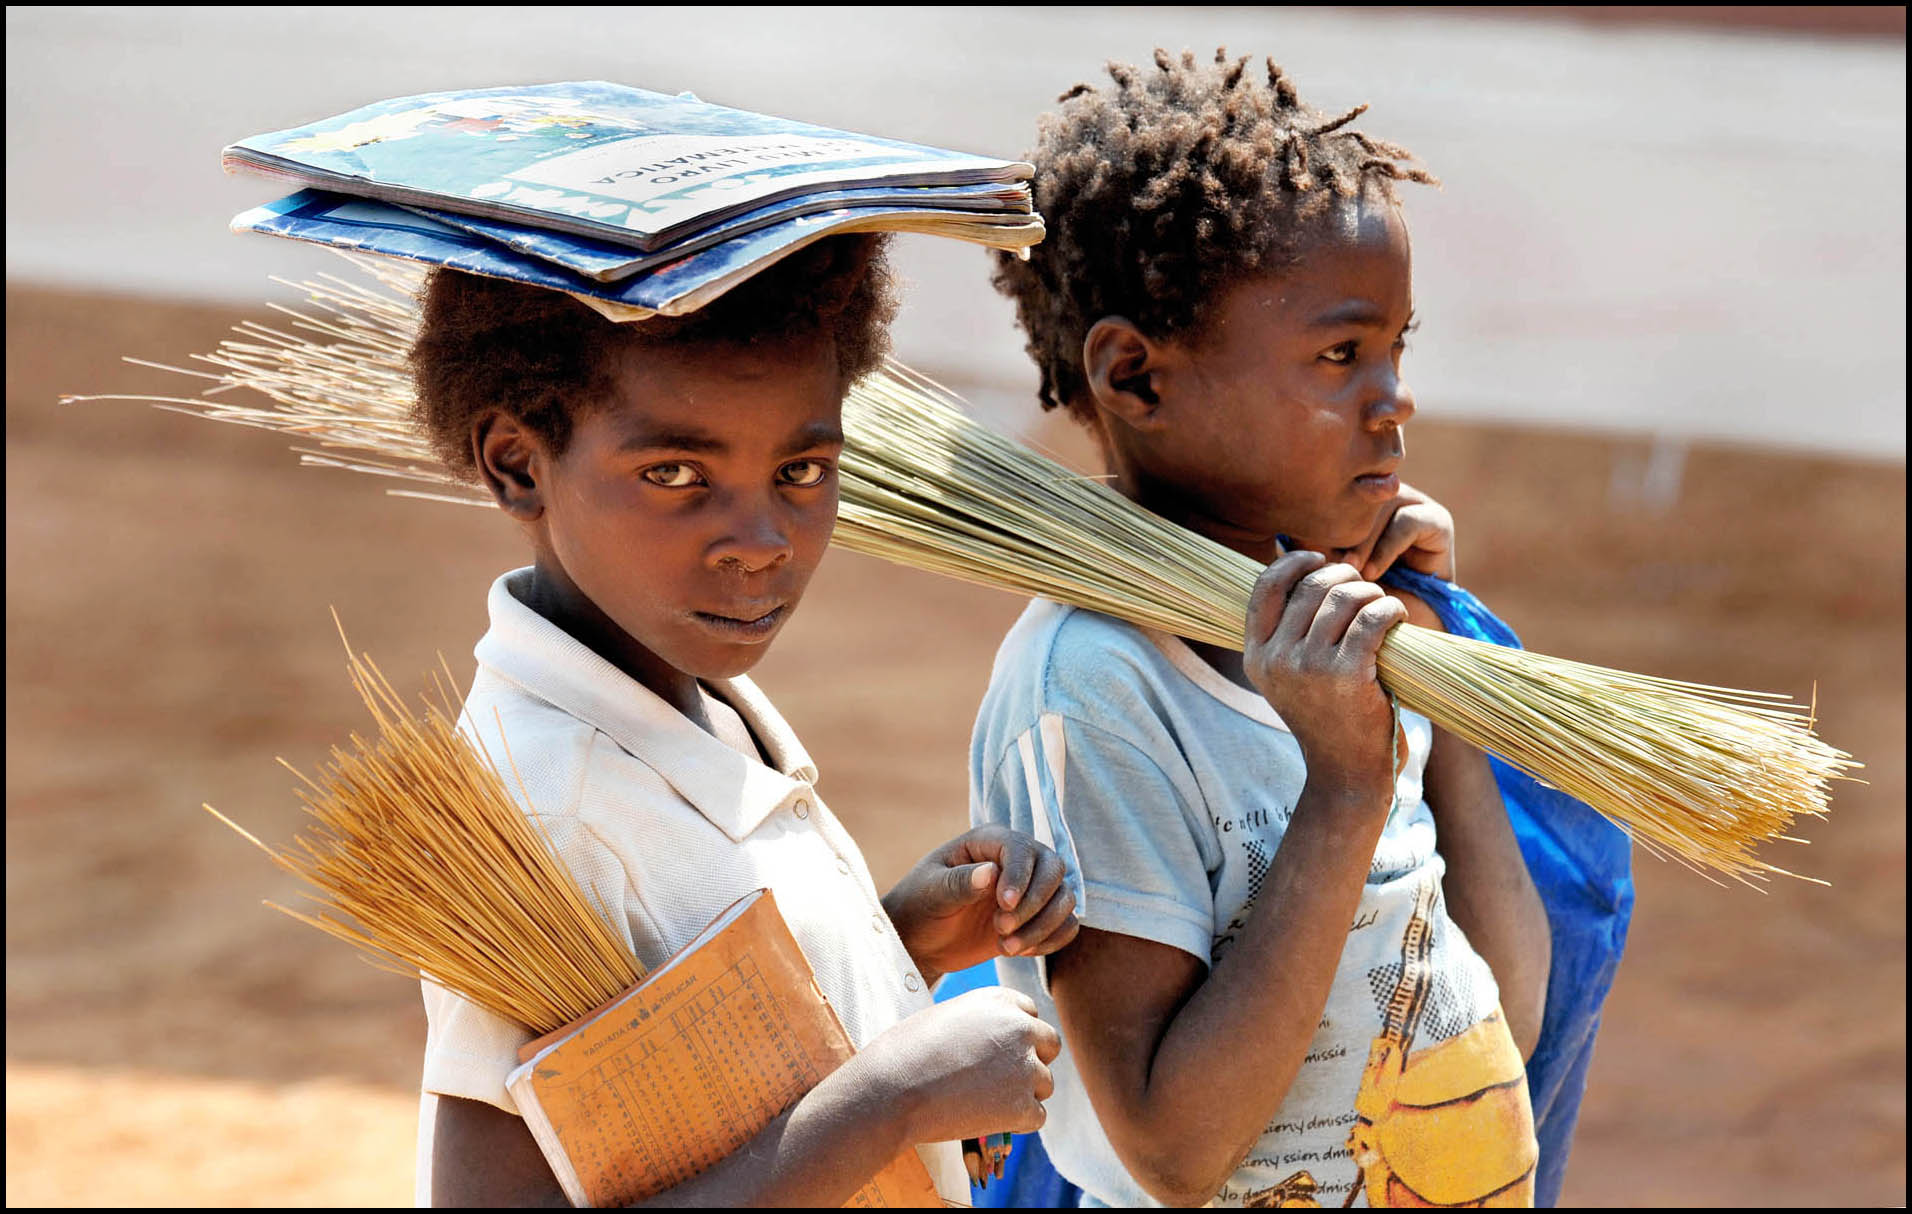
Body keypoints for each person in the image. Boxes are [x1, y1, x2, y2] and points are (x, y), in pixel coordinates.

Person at [973, 49, 1627, 1208]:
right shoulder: (1096, 684)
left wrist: (1445, 687)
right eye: (1340, 354)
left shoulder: (1349, 632)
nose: (1395, 397)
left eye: (1395, 347)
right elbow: (1172, 1150)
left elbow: (1503, 1024)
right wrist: (1342, 787)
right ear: (1134, 375)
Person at [408, 236, 1080, 1206]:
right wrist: (889, 1098)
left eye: (801, 470)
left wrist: (896, 944)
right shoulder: (543, 813)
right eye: (678, 475)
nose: (762, 542)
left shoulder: (687, 689)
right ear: (518, 463)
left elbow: (692, 1059)